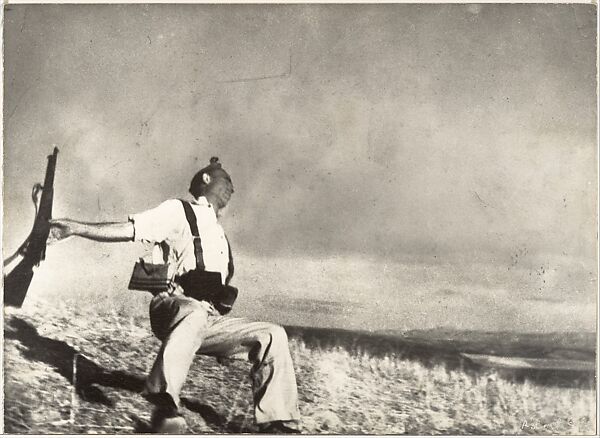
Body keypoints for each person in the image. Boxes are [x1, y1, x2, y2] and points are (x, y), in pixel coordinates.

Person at [49, 157, 301, 434]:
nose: (233, 188)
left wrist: (228, 340)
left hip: (206, 319)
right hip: (172, 306)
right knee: (192, 313)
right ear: (207, 179)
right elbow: (129, 229)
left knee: (273, 334)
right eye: (227, 180)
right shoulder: (179, 211)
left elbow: (218, 296)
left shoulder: (220, 239)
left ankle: (278, 424)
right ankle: (165, 403)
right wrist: (75, 228)